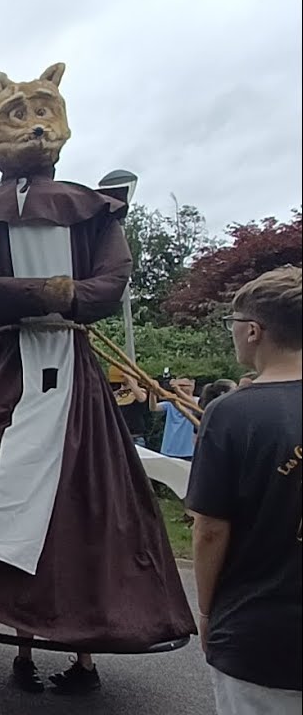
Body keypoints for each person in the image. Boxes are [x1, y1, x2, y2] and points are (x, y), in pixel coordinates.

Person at [0, 62, 193, 696]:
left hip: (74, 374)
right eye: (17, 114)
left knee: (87, 510)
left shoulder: (93, 212)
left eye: (42, 112)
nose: (33, 126)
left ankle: (85, 657)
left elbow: (111, 283)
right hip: (6, 370)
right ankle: (21, 641)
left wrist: (53, 296)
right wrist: (54, 293)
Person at [187, 266, 301, 713]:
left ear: (253, 331)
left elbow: (210, 530)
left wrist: (206, 611)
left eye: (231, 323)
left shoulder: (232, 413)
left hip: (260, 630)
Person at [153, 377, 197, 460]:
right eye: (178, 385)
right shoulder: (171, 403)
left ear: (192, 385)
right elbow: (153, 408)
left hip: (189, 451)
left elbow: (193, 404)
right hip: (169, 449)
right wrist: (153, 392)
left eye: (183, 385)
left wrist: (177, 390)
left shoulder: (198, 400)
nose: (180, 388)